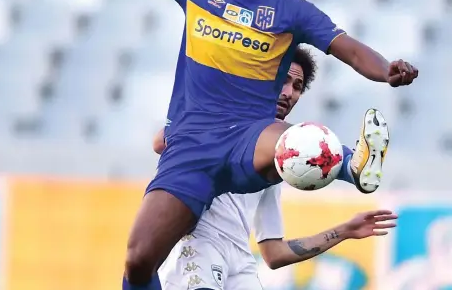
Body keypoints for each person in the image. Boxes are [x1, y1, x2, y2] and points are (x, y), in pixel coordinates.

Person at [23, 0, 418, 290]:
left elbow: (348, 48)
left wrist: (386, 70)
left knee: (295, 142)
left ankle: (354, 164)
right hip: (193, 144)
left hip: (249, 134)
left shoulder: (290, 9)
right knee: (138, 261)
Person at [157, 47, 396, 289]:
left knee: (286, 142)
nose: (288, 93)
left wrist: (345, 230)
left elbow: (273, 253)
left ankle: (351, 164)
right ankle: (349, 165)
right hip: (199, 245)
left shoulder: (277, 166)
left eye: (297, 86)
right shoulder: (222, 117)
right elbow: (160, 141)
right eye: (282, 80)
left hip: (239, 261)